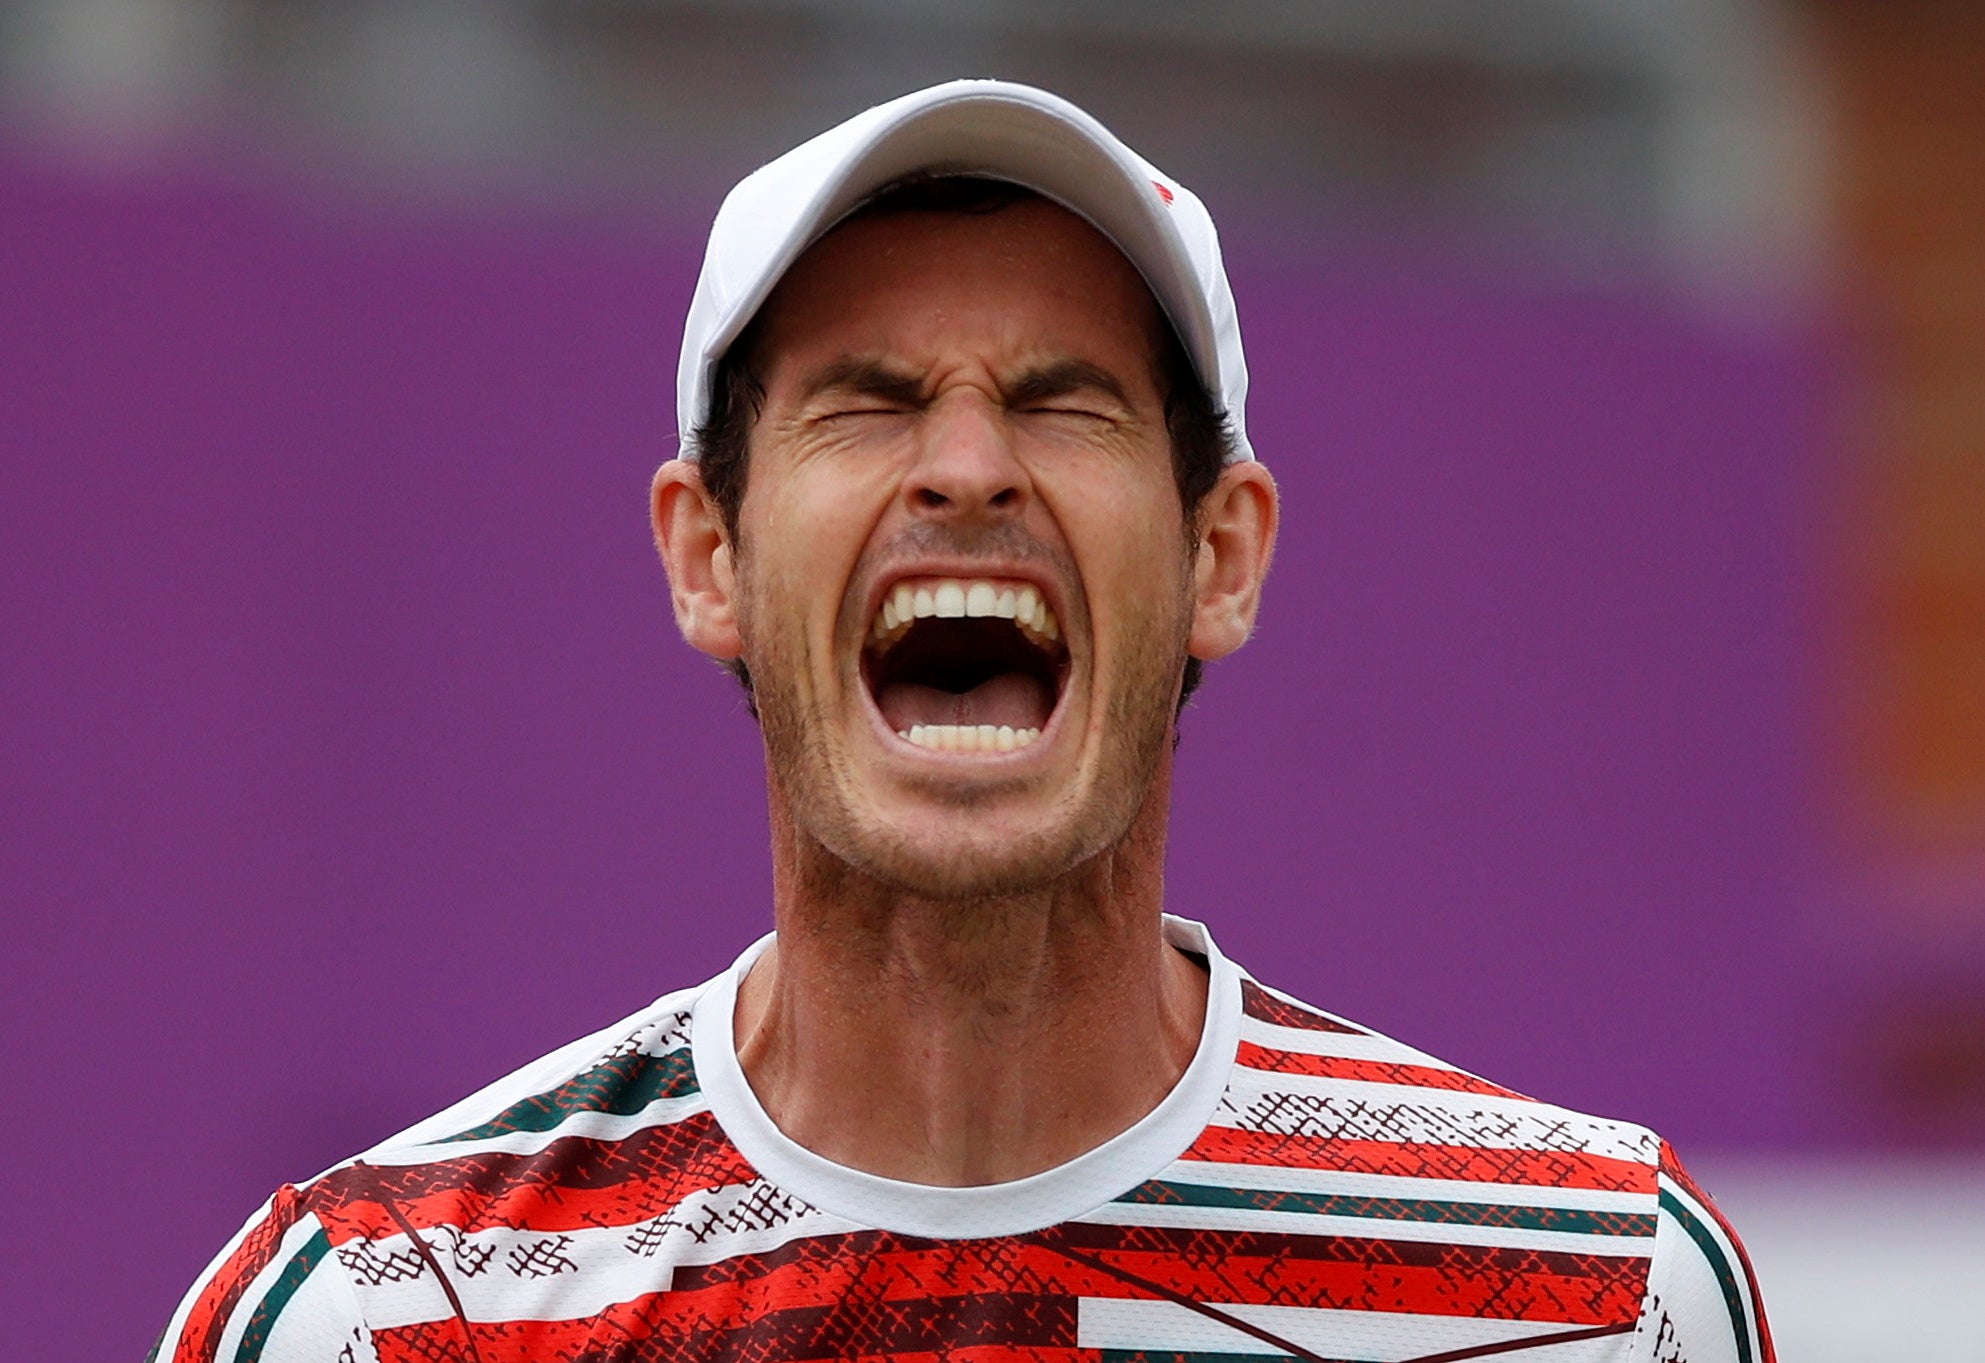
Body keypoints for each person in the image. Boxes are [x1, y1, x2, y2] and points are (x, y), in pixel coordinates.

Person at [152, 80, 1773, 1363]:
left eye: (1063, 400)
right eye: (865, 400)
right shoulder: (389, 1313)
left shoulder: (1592, 1294)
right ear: (708, 555)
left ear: (1219, 555)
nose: (970, 468)